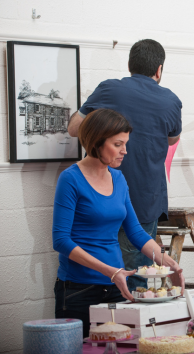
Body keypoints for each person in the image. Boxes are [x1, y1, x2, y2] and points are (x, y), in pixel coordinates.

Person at [53, 109, 185, 337]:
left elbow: (135, 231)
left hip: (117, 287)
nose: (125, 150)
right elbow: (61, 241)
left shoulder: (118, 178)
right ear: (96, 142)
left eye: (125, 143)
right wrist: (111, 271)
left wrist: (166, 262)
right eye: (118, 144)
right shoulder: (70, 178)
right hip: (78, 290)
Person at [67, 39, 182, 291]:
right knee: (138, 281)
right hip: (146, 198)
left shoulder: (109, 89)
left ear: (130, 65)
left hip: (99, 197)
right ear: (159, 70)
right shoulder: (171, 100)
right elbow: (173, 138)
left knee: (109, 279)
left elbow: (74, 128)